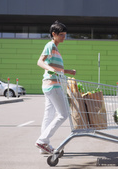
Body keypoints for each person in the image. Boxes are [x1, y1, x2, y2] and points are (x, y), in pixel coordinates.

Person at [35, 21, 76, 154]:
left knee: (49, 114)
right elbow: (40, 61)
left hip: (49, 84)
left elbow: (57, 69)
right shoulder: (50, 45)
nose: (64, 37)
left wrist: (69, 71)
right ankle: (42, 141)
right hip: (52, 85)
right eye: (62, 35)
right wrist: (50, 69)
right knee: (63, 114)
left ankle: (44, 146)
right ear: (54, 34)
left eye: (65, 34)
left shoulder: (55, 49)